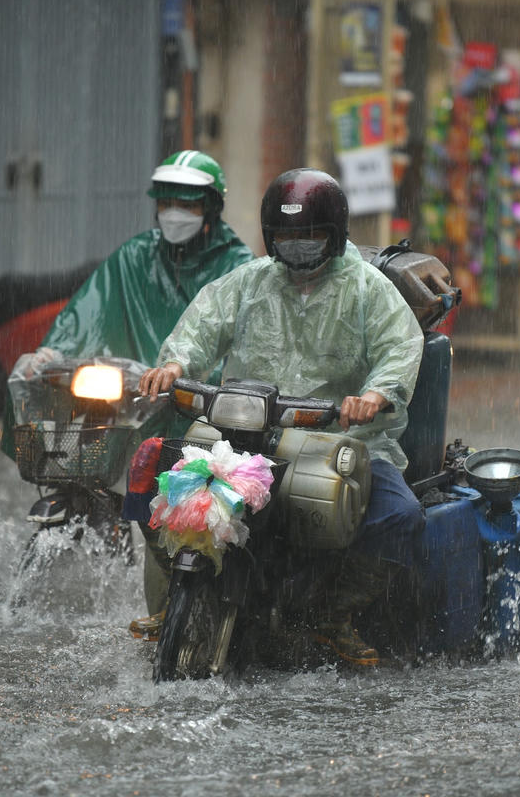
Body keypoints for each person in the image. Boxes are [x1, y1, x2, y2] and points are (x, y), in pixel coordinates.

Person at [135, 168, 426, 667]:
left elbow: (400, 346)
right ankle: (173, 601)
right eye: (287, 236)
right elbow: (203, 324)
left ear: (333, 235)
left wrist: (375, 395)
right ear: (271, 238)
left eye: (310, 236)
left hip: (337, 436)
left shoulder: (366, 287)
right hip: (245, 430)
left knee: (399, 515)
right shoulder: (249, 282)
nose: (298, 246)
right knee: (154, 481)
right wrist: (174, 364)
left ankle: (338, 614)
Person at [0, 149, 254, 458]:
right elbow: (93, 305)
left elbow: (240, 343)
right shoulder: (138, 254)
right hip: (131, 390)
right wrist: (53, 350)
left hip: (197, 399)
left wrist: (209, 378)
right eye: (165, 204)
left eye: (187, 205)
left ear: (210, 208)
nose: (174, 214)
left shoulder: (238, 266)